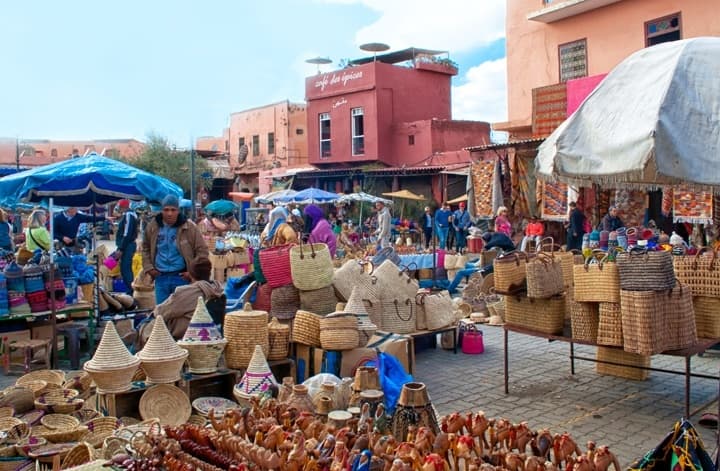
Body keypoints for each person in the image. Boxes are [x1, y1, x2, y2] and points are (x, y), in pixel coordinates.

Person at [138, 256, 224, 343]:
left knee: (146, 325)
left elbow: (162, 311)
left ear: (190, 273)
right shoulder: (218, 290)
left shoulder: (186, 292)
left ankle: (131, 353)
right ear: (209, 272)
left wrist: (153, 313)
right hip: (209, 331)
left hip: (187, 332)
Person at [141, 194, 209, 304]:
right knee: (162, 314)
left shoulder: (189, 227)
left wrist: (192, 272)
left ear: (178, 210)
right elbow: (145, 248)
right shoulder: (153, 226)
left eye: (173, 210)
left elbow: (202, 251)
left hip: (182, 277)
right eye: (166, 210)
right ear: (161, 210)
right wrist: (149, 268)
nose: (169, 213)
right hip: (160, 277)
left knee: (181, 313)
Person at [447, 231, 516, 293]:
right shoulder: (498, 250)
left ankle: (451, 289)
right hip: (484, 266)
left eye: (483, 241)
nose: (482, 243)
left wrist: (476, 263)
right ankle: (468, 284)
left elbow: (482, 264)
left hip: (482, 268)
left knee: (460, 272)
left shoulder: (491, 250)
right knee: (467, 265)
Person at [114, 200, 139, 295]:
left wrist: (121, 248)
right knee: (120, 266)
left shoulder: (129, 215)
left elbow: (127, 233)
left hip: (126, 245)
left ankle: (131, 290)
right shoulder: (130, 215)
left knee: (125, 268)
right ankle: (130, 290)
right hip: (125, 245)